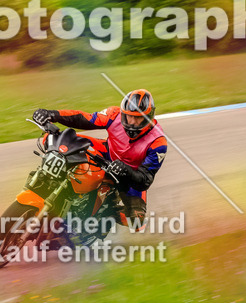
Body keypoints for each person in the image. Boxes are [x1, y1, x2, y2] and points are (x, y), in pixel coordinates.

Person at [32, 88, 167, 227]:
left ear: (149, 117)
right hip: (107, 151)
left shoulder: (158, 142)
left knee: (137, 222)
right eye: (128, 116)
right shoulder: (114, 114)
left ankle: (108, 212)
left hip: (130, 174)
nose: (132, 122)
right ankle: (44, 180)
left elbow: (145, 180)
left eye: (138, 118)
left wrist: (125, 170)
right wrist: (51, 115)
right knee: (56, 139)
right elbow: (84, 119)